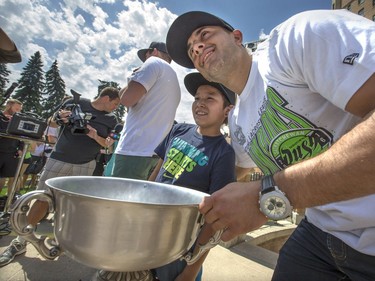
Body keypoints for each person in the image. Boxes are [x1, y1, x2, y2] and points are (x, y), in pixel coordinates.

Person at [166, 9, 375, 280]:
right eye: (192, 51)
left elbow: (260, 193)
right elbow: (233, 176)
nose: (197, 47)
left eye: (204, 35)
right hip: (321, 233)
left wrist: (272, 194)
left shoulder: (295, 40)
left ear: (237, 37)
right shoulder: (239, 121)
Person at [0, 87, 120, 267]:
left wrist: (94, 135)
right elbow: (51, 123)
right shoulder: (75, 102)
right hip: (59, 159)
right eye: (115, 103)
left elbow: (109, 145)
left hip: (86, 164)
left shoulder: (111, 119)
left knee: (73, 205)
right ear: (105, 98)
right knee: (41, 199)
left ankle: (63, 242)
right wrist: (58, 118)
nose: (116, 108)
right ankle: (20, 241)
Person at [149, 72, 236, 281]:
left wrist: (190, 271)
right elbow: (156, 173)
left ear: (227, 110)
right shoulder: (178, 130)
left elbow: (214, 220)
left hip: (179, 247)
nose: (200, 103)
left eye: (210, 98)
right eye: (197, 97)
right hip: (149, 230)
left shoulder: (224, 154)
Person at [111, 42, 181, 180]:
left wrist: (133, 78)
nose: (144, 60)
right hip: (156, 154)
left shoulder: (153, 63)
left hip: (135, 150)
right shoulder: (172, 77)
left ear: (154, 51)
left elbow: (126, 100)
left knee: (120, 199)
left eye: (146, 56)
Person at [0, 99, 24, 194]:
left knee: (12, 178)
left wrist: (21, 148)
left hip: (11, 154)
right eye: (16, 109)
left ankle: (7, 201)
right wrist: (9, 124)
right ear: (9, 106)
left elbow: (21, 136)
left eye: (20, 110)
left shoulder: (17, 120)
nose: (18, 112)